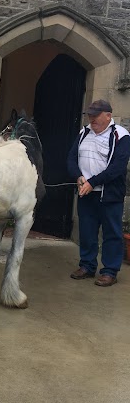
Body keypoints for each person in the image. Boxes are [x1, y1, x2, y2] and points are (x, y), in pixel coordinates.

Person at [67, 99, 130, 286]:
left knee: (111, 233)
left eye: (96, 115)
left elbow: (117, 168)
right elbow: (71, 158)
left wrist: (92, 182)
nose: (91, 118)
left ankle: (110, 271)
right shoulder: (84, 132)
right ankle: (87, 265)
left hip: (109, 194)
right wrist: (79, 177)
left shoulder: (121, 135)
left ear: (108, 116)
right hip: (86, 192)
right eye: (90, 114)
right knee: (87, 231)